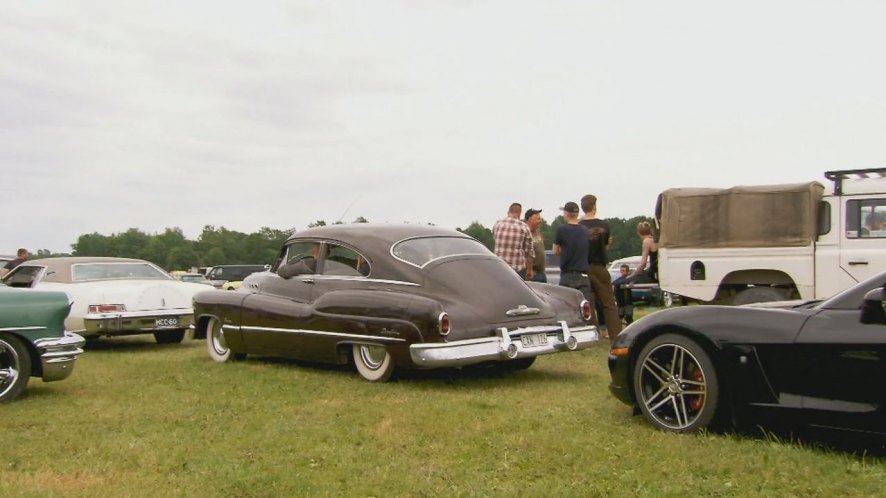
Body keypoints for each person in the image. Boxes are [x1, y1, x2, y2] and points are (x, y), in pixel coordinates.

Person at [578, 195, 622, 340]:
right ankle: (616, 335)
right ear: (594, 206)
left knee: (587, 303)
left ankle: (591, 335)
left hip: (583, 266)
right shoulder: (604, 225)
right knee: (609, 302)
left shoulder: (578, 226)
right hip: (600, 266)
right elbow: (606, 245)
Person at [552, 202, 592, 302]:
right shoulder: (585, 230)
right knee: (583, 306)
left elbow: (555, 251)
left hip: (567, 274)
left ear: (566, 213)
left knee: (566, 306)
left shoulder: (562, 229)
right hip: (583, 274)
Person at [615, 222, 659, 301]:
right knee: (623, 279)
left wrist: (632, 275)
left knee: (619, 283)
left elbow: (643, 263)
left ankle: (623, 308)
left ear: (638, 233)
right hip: (657, 272)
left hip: (652, 275)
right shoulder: (656, 239)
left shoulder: (646, 241)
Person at [493, 202, 535, 280]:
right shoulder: (524, 227)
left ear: (508, 211)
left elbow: (495, 239)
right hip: (516, 270)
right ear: (520, 213)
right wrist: (529, 270)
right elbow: (529, 252)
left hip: (499, 268)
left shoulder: (498, 224)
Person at [524, 208, 547, 283]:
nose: (540, 221)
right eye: (538, 219)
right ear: (530, 219)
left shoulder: (538, 232)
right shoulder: (524, 232)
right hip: (532, 274)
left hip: (542, 273)